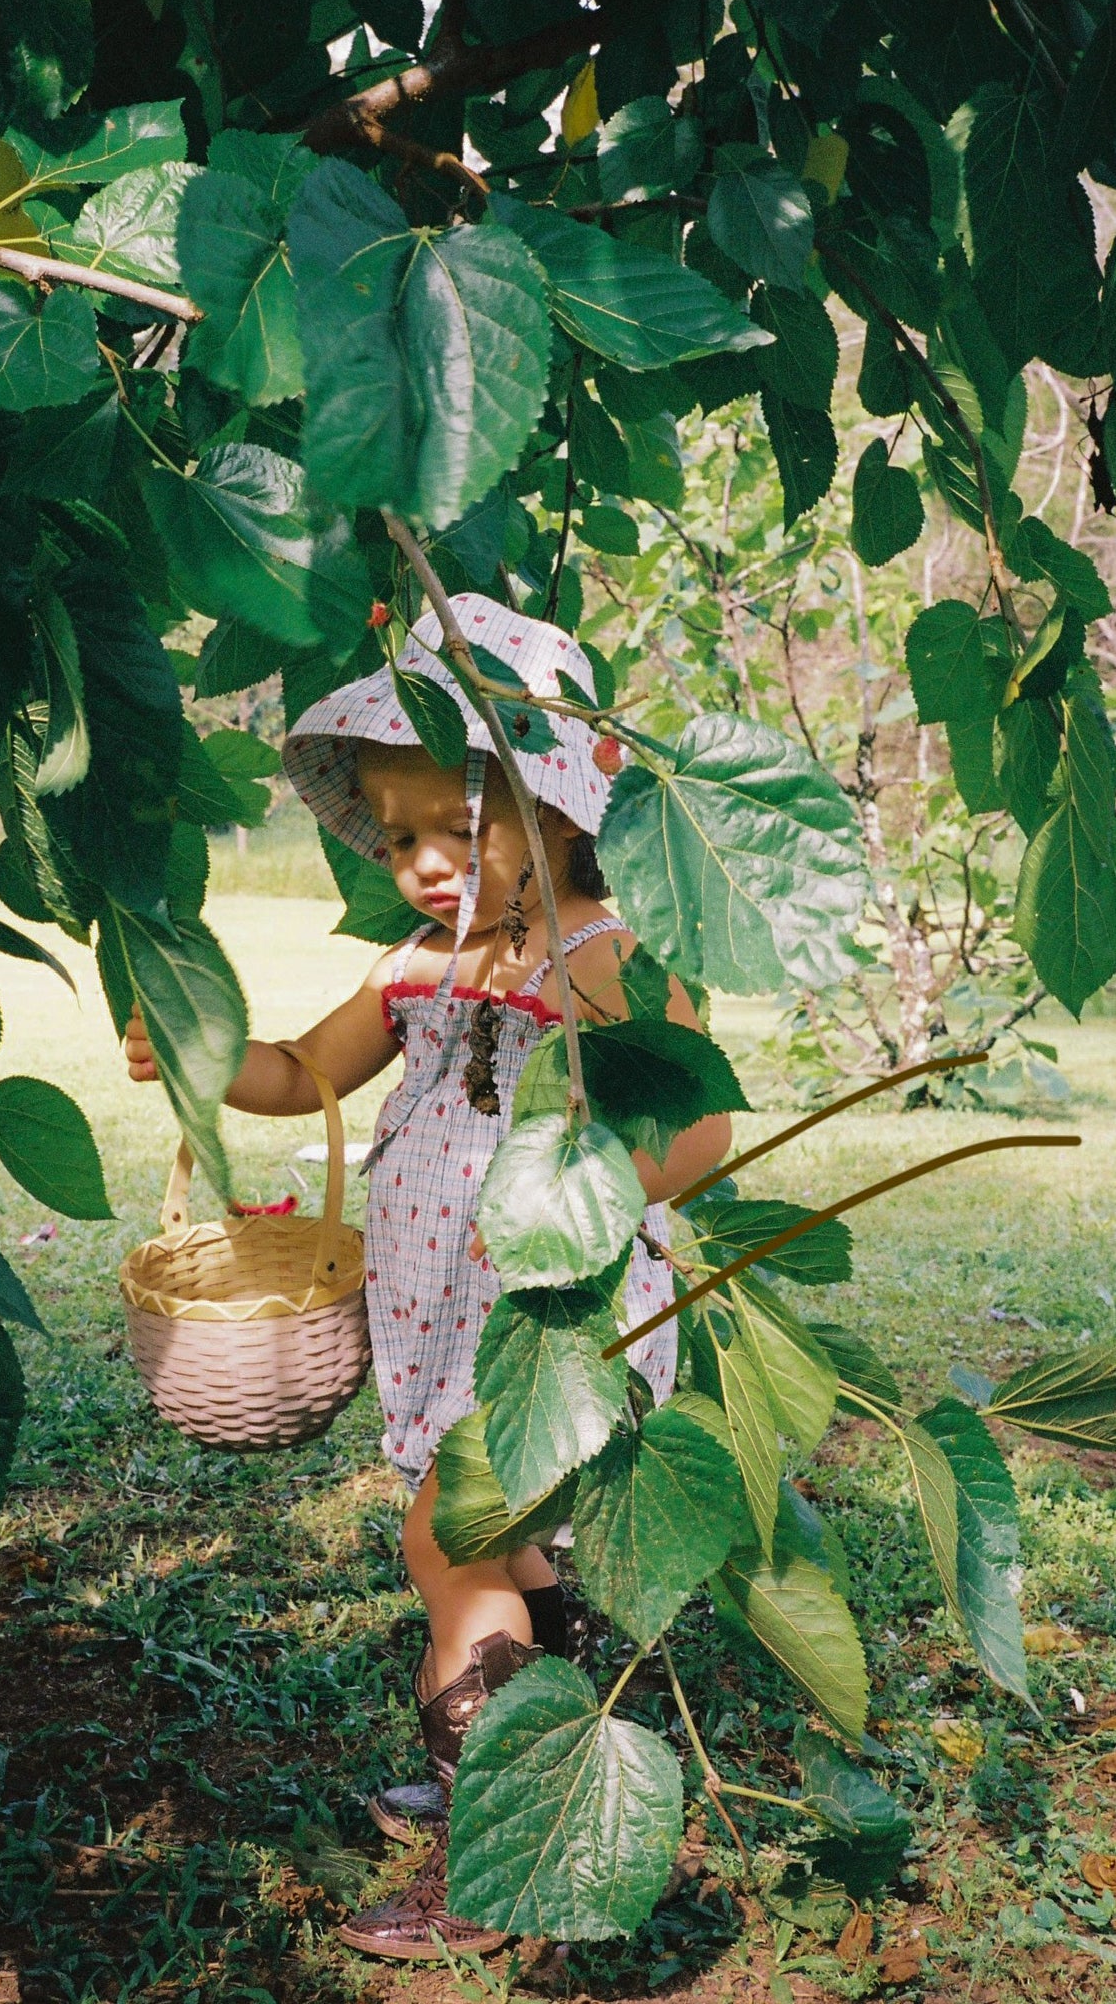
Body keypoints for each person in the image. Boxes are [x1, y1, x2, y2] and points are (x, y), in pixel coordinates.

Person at [124, 594, 732, 1961]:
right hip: (436, 1327)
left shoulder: (608, 966)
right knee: (501, 1552)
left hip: (551, 1328)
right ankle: (538, 1760)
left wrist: (564, 1221)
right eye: (398, 838)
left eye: (458, 831)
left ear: (558, 807)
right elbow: (298, 1076)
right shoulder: (418, 967)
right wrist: (203, 1052)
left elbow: (696, 1134)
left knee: (446, 1545)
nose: (423, 865)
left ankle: (488, 1850)